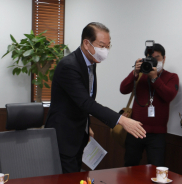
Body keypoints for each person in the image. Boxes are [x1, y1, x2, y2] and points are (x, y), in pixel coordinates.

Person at [46, 22, 146, 173]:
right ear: (87, 43)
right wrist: (121, 120)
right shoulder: (69, 66)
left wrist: (87, 125)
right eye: (101, 45)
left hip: (79, 134)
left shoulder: (91, 63)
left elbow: (80, 101)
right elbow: (86, 102)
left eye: (108, 46)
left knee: (74, 180)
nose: (105, 50)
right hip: (63, 137)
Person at [119, 43, 179, 166]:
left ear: (164, 58)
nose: (154, 61)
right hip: (135, 129)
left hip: (157, 134)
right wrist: (135, 73)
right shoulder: (140, 75)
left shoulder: (171, 77)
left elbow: (169, 96)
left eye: (157, 57)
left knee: (156, 168)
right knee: (130, 165)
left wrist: (155, 79)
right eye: (150, 58)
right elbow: (123, 89)